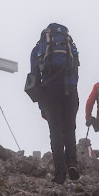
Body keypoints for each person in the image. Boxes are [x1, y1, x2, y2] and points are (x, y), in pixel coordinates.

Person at [30, 23, 80, 185]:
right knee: (69, 129)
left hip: (50, 91)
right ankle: (72, 163)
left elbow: (34, 77)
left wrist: (41, 105)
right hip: (70, 91)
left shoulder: (39, 48)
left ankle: (60, 173)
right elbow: (76, 73)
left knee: (55, 131)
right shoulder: (70, 46)